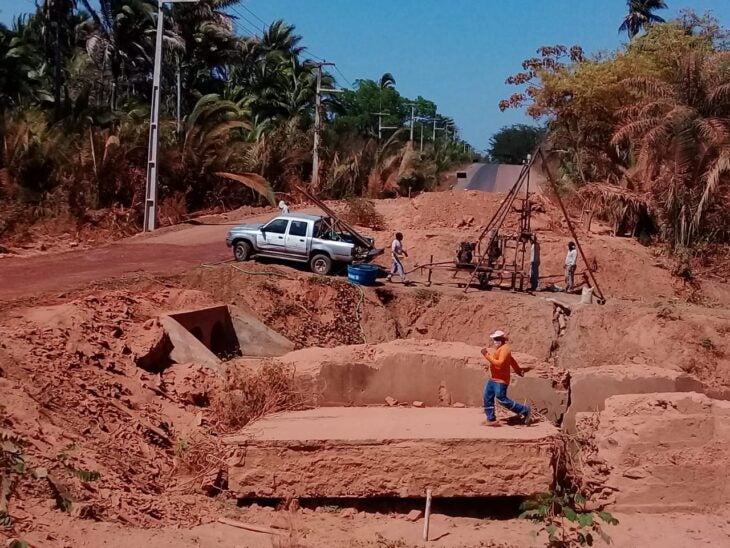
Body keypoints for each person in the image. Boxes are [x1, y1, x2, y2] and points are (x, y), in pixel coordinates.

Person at [480, 330, 531, 426]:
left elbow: (499, 364)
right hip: (493, 378)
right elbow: (511, 360)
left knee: (501, 399)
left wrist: (486, 355)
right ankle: (491, 419)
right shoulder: (501, 348)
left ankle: (525, 410)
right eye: (494, 339)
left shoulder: (505, 349)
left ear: (503, 339)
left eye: (498, 339)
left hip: (501, 380)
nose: (495, 341)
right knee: (487, 396)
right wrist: (518, 370)